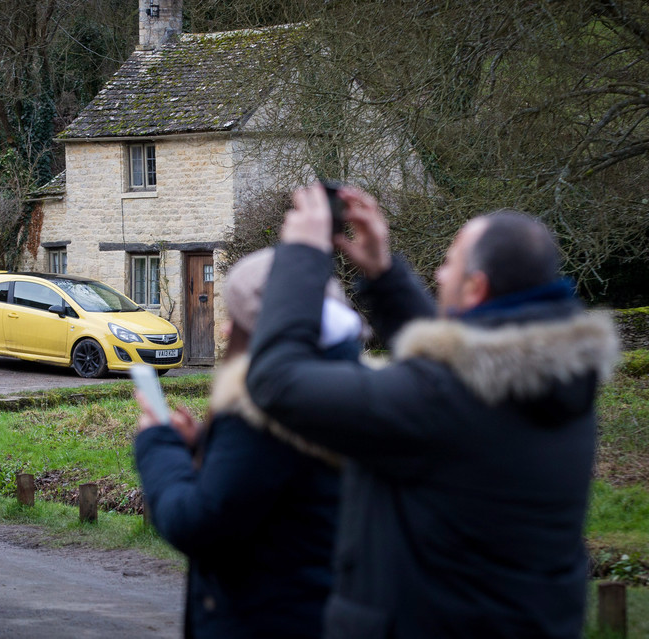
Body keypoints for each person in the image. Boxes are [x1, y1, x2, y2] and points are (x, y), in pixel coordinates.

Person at [246, 184, 619, 639]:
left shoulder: (441, 400)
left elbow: (278, 382)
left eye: (448, 264)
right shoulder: (558, 380)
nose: (439, 276)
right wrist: (385, 279)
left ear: (477, 287)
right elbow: (461, 367)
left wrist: (301, 254)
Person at [134, 248, 363, 639]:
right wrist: (204, 440)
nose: (224, 330)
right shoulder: (350, 391)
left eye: (237, 318)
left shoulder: (262, 411)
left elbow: (199, 524)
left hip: (267, 617)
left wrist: (158, 444)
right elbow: (286, 474)